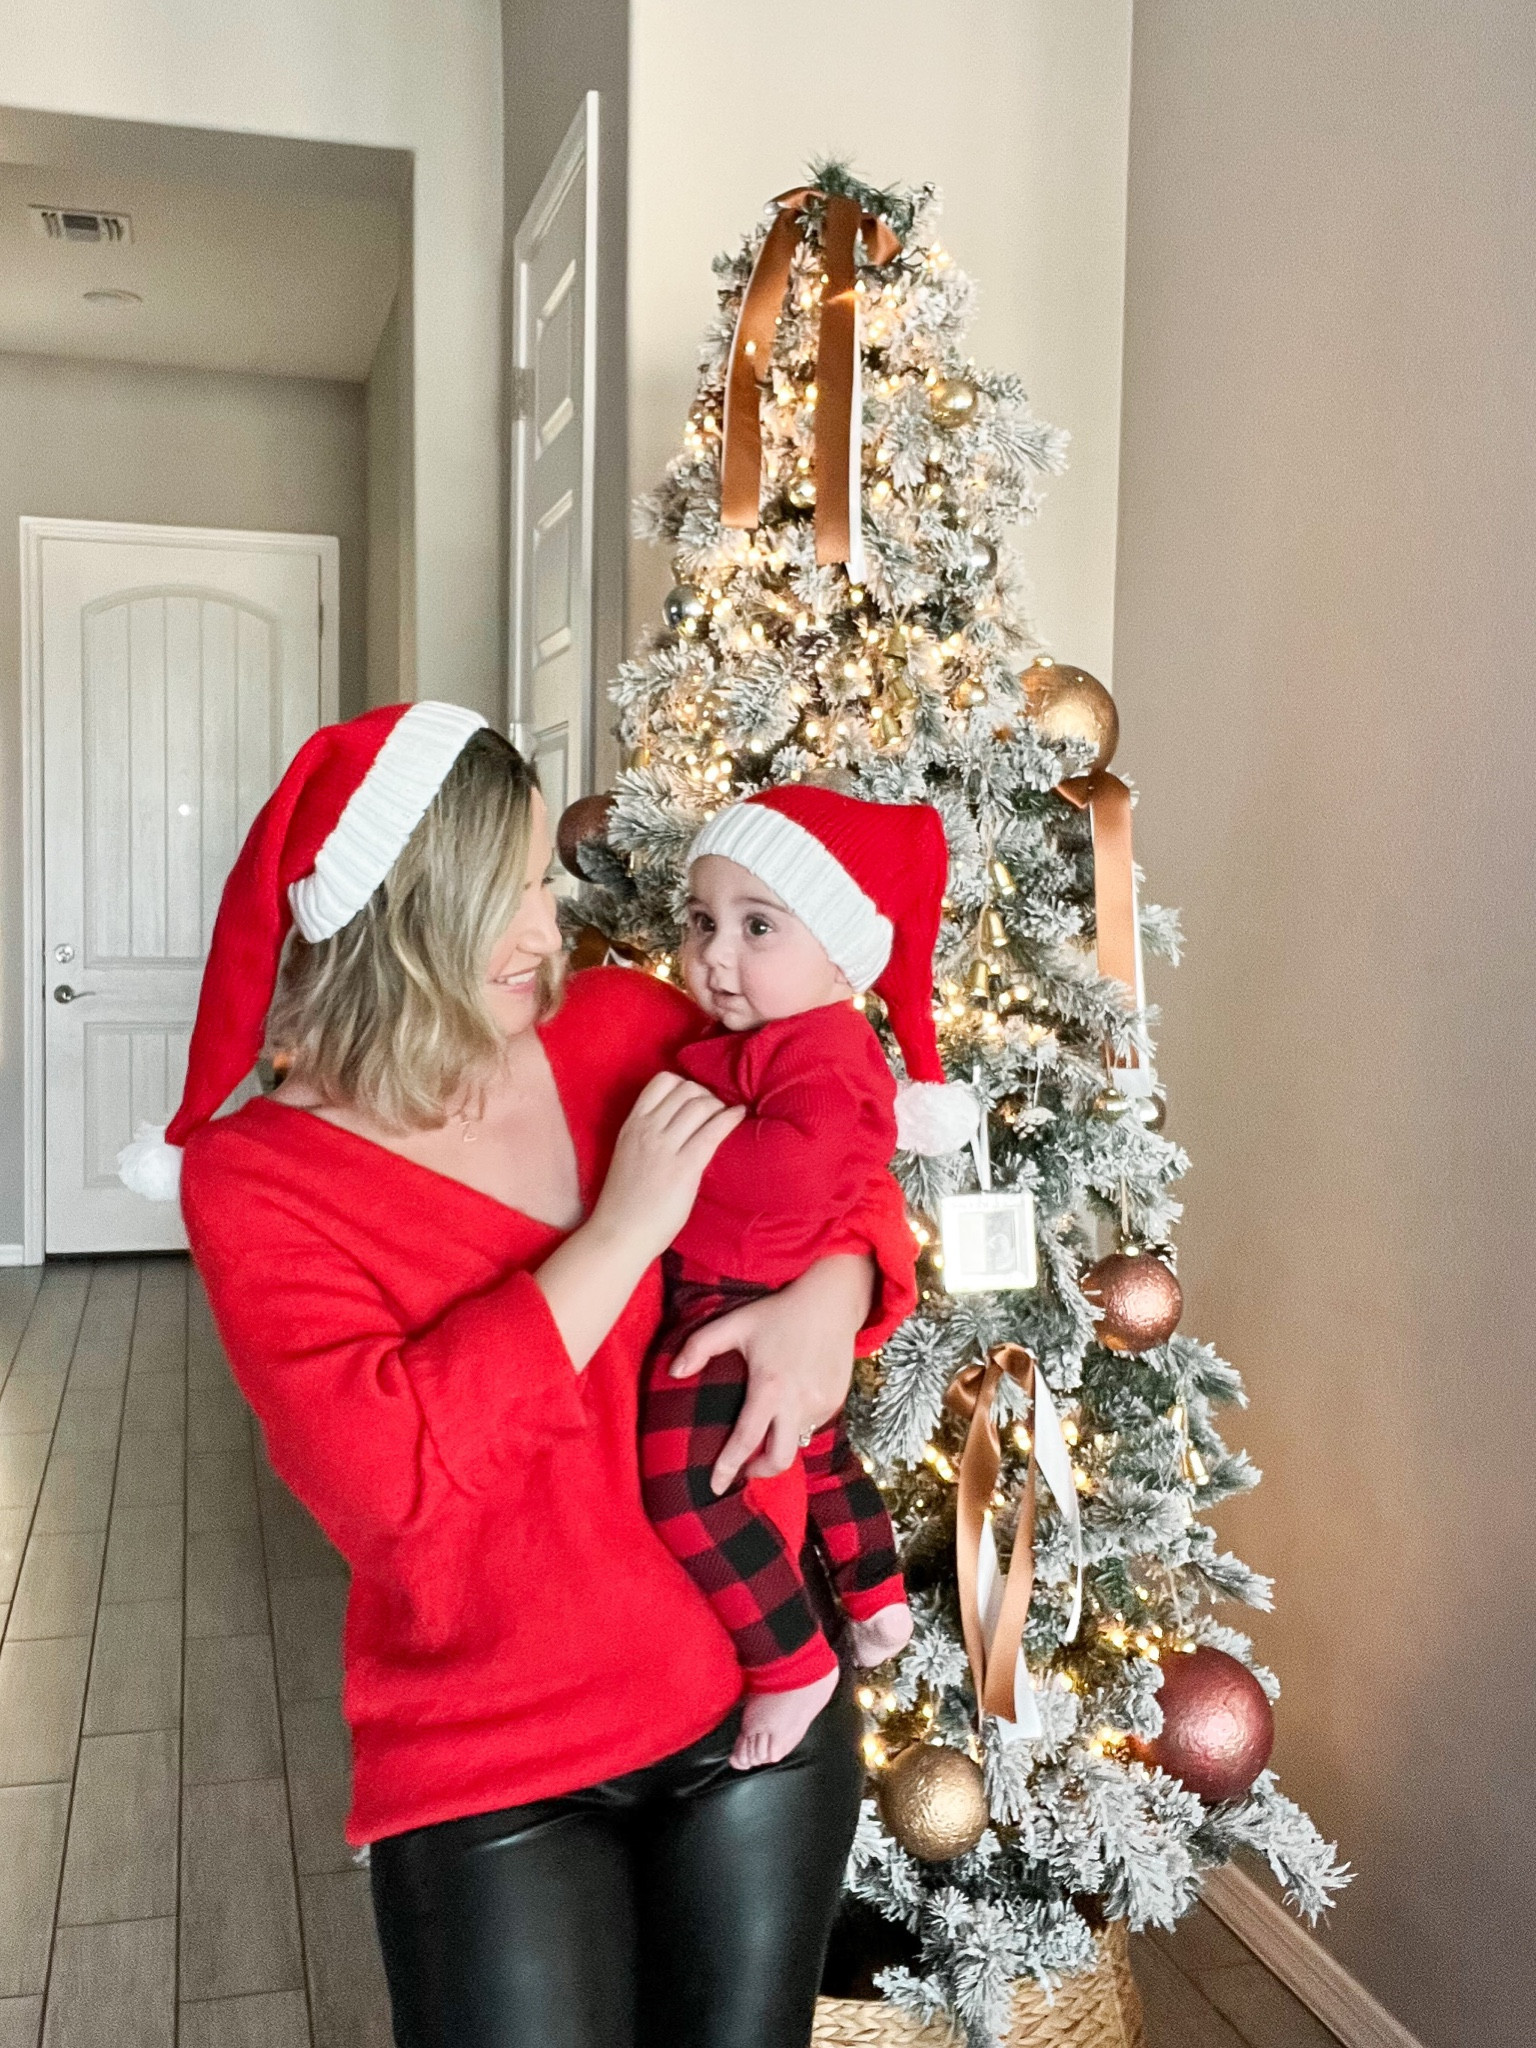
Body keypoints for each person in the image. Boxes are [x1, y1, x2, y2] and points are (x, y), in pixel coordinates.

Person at [117, 703, 916, 2048]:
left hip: (757, 1689)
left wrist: (834, 1300)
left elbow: (845, 1176)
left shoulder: (625, 1030)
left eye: (548, 884)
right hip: (494, 1764)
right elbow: (388, 1488)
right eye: (520, 893)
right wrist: (619, 1237)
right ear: (402, 917)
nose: (554, 931)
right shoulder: (259, 1180)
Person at [641, 785, 975, 1770]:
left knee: (690, 1482)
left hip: (737, 1293)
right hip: (765, 1285)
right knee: (820, 1453)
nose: (715, 954)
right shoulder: (774, 1040)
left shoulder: (824, 1052)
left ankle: (790, 1657)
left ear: (840, 956)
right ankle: (873, 1596)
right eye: (703, 922)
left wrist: (667, 1158)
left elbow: (786, 1169)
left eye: (756, 926)